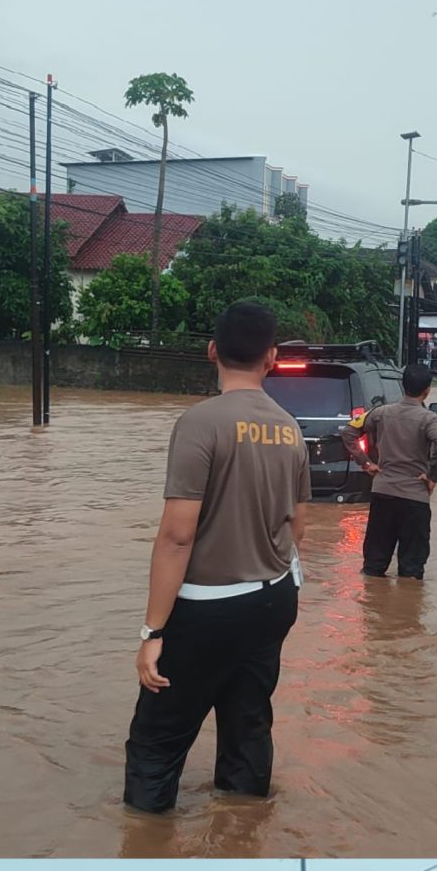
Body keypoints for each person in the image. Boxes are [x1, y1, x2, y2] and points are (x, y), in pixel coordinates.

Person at [125, 297, 308, 813]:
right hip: (274, 600)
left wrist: (152, 633)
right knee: (248, 722)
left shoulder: (200, 423)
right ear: (271, 357)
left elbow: (177, 537)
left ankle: (146, 835)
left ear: (211, 351)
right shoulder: (290, 427)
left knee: (157, 741)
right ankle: (243, 825)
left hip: (207, 608)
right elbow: (300, 525)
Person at [358, 362, 437, 578]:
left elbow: (349, 432)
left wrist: (366, 462)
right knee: (411, 573)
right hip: (415, 498)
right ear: (427, 390)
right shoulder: (429, 419)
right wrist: (432, 476)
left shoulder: (380, 413)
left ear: (403, 386)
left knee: (373, 568)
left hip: (382, 493)